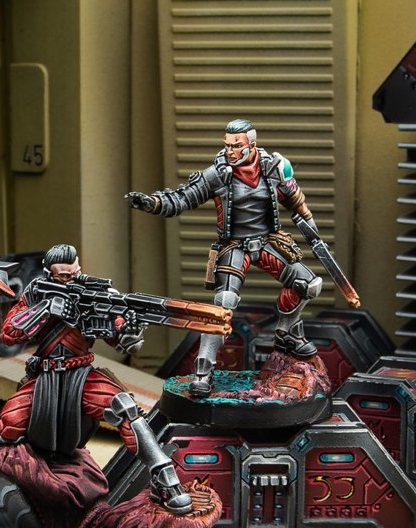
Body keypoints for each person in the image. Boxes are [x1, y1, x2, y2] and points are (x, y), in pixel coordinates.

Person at [0, 243, 192, 514]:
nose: (72, 279)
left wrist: (129, 331)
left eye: (76, 273)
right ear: (49, 274)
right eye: (64, 276)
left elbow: (124, 341)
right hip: (44, 376)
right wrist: (46, 310)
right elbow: (8, 334)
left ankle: (165, 480)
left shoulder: (96, 293)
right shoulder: (36, 293)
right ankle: (15, 498)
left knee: (126, 408)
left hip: (83, 375)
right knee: (7, 428)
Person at [126, 118, 323, 396]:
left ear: (251, 145)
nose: (230, 151)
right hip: (234, 247)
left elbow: (295, 199)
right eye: (227, 145)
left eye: (236, 146)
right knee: (223, 305)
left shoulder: (274, 168)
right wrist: (154, 203)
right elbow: (183, 198)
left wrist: (313, 233)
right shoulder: (218, 174)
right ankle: (203, 373)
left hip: (268, 242)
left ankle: (287, 333)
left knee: (308, 284)